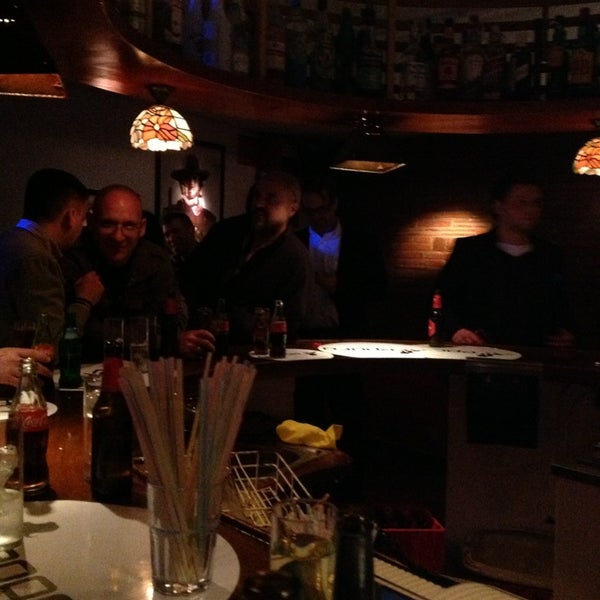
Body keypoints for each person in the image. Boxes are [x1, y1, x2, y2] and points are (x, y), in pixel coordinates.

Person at [293, 175, 388, 497]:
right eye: (310, 211)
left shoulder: (362, 242)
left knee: (349, 412)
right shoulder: (295, 241)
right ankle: (307, 483)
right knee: (308, 413)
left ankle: (350, 485)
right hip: (306, 338)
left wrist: (341, 285)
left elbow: (380, 288)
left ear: (334, 204)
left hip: (349, 336)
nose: (316, 217)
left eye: (321, 209)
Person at [61, 184, 214, 361]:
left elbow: (169, 322)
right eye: (108, 224)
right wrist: (163, 341)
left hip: (142, 369)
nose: (118, 236)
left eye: (129, 226)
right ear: (91, 221)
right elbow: (69, 334)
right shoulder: (70, 260)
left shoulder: (155, 261)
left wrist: (173, 340)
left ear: (142, 228)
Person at [435, 169, 575, 348]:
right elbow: (442, 296)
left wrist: (567, 332)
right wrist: (456, 329)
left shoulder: (550, 254)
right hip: (480, 350)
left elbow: (563, 303)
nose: (530, 210)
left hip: (536, 351)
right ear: (499, 206)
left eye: (536, 203)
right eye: (521, 202)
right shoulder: (471, 251)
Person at [186, 169, 310, 344]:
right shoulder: (225, 232)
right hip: (202, 340)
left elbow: (289, 323)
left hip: (252, 350)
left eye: (271, 198)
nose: (259, 203)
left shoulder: (295, 257)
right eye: (256, 196)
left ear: (293, 208)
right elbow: (189, 278)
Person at [0, 168, 95, 349]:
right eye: (83, 217)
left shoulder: (9, 240)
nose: (83, 226)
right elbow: (50, 345)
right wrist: (84, 301)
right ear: (71, 216)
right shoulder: (37, 258)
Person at [169, 154, 216, 241]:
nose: (191, 183)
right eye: (186, 179)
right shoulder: (171, 214)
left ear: (200, 185)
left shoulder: (209, 218)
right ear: (181, 185)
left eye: (194, 178)